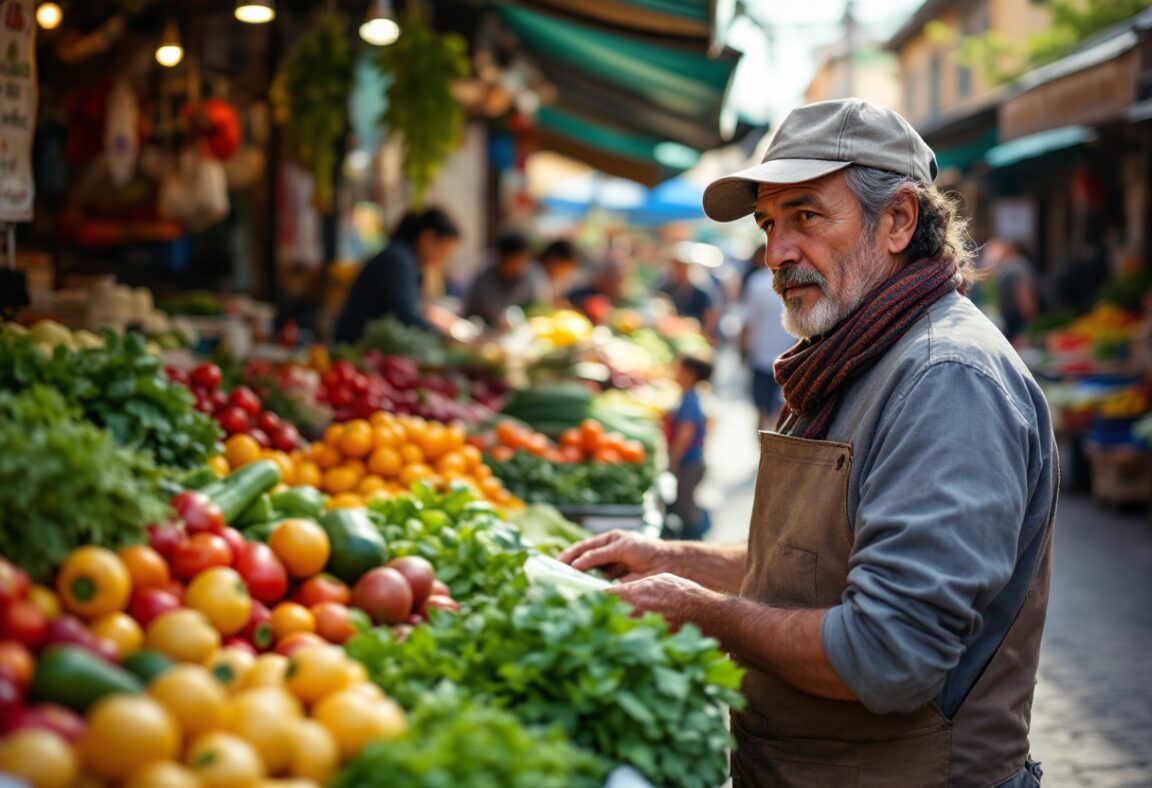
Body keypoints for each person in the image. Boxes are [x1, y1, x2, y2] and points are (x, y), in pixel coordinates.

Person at [560, 99, 1058, 787]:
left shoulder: (947, 380)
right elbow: (820, 561)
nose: (775, 253)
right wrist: (673, 559)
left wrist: (701, 612)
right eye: (769, 224)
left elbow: (887, 652)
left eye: (806, 216)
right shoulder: (853, 350)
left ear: (899, 220)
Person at [334, 207, 461, 343]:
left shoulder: (404, 259)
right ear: (427, 238)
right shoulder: (398, 260)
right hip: (357, 347)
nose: (443, 260)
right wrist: (448, 339)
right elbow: (406, 316)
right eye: (444, 252)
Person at [741, 245, 795, 429]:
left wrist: (743, 347)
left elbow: (749, 320)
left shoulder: (756, 282)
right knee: (782, 405)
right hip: (789, 353)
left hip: (761, 354)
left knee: (762, 406)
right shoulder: (795, 279)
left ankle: (763, 441)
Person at [665, 352, 713, 541]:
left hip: (690, 463)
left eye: (679, 368)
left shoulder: (690, 400)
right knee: (686, 502)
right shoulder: (691, 396)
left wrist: (673, 459)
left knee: (686, 506)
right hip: (694, 461)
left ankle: (696, 541)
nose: (675, 371)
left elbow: (686, 433)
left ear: (690, 374)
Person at [462, 230, 548, 327]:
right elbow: (469, 311)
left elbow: (539, 308)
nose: (519, 266)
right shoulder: (483, 277)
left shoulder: (533, 275)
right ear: (501, 258)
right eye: (514, 262)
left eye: (523, 260)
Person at [656, 242, 720, 338]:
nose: (680, 269)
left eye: (683, 265)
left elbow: (710, 316)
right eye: (677, 265)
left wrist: (705, 334)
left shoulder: (701, 292)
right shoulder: (666, 288)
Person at [988, 238, 1040, 346]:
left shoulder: (1014, 267)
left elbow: (1024, 296)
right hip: (1015, 322)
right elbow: (1024, 297)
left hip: (1015, 322)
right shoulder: (1015, 267)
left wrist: (1029, 325)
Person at [537, 239, 582, 307]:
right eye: (566, 267)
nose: (567, 273)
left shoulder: (551, 279)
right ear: (554, 259)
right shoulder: (534, 274)